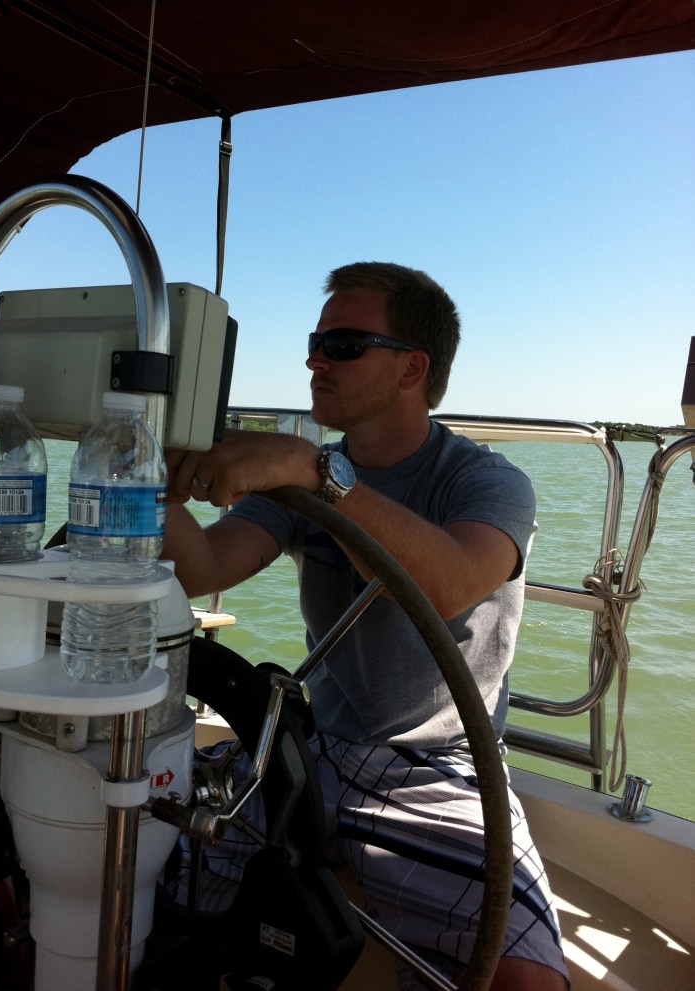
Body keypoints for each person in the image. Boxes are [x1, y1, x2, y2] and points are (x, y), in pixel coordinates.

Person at [162, 262, 569, 990]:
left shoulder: (487, 482)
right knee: (145, 859)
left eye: (343, 345)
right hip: (311, 749)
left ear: (413, 368)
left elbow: (445, 584)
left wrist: (316, 473)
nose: (315, 362)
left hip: (437, 766)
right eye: (315, 344)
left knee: (524, 980)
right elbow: (203, 566)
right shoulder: (302, 475)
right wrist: (149, 481)